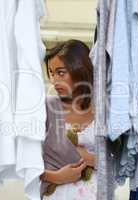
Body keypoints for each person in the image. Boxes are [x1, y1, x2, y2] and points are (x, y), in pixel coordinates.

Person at [40, 40, 97, 200]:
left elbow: (119, 161)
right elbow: (26, 163)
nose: (54, 80)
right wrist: (56, 177)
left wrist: (90, 159)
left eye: (60, 72)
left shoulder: (102, 110)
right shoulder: (46, 108)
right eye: (51, 73)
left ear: (79, 69)